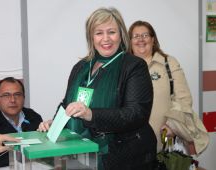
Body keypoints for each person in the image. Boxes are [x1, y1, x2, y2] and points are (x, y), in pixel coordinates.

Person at [38, 7, 156, 170]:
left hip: (123, 158)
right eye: (99, 33)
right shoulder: (81, 67)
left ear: (121, 34)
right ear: (91, 37)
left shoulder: (134, 66)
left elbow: (136, 114)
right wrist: (56, 123)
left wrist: (91, 114)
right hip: (80, 154)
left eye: (111, 32)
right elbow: (67, 104)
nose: (105, 39)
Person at [128, 20, 209, 155]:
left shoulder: (168, 63)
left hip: (164, 140)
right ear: (130, 41)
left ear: (153, 39)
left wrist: (172, 126)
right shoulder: (124, 66)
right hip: (130, 143)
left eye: (145, 35)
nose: (141, 39)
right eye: (136, 36)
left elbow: (184, 99)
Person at [0, 77, 43, 169]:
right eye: (6, 95)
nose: (13, 100)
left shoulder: (34, 117)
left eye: (17, 94)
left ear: (24, 98)